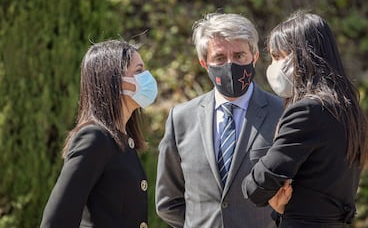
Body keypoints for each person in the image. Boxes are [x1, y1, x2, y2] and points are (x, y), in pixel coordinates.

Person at [242, 11, 368, 228]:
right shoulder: (349, 111)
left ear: (301, 57)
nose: (273, 66)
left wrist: (271, 196)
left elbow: (256, 187)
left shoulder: (307, 111)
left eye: (278, 57)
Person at [155, 12, 284, 228]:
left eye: (239, 55)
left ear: (254, 57)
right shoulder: (181, 118)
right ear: (204, 63)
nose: (230, 64)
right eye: (220, 58)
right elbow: (168, 201)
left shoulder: (282, 113)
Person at [40, 40, 158, 228]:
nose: (147, 77)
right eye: (138, 71)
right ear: (114, 81)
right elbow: (56, 221)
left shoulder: (123, 139)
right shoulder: (94, 138)